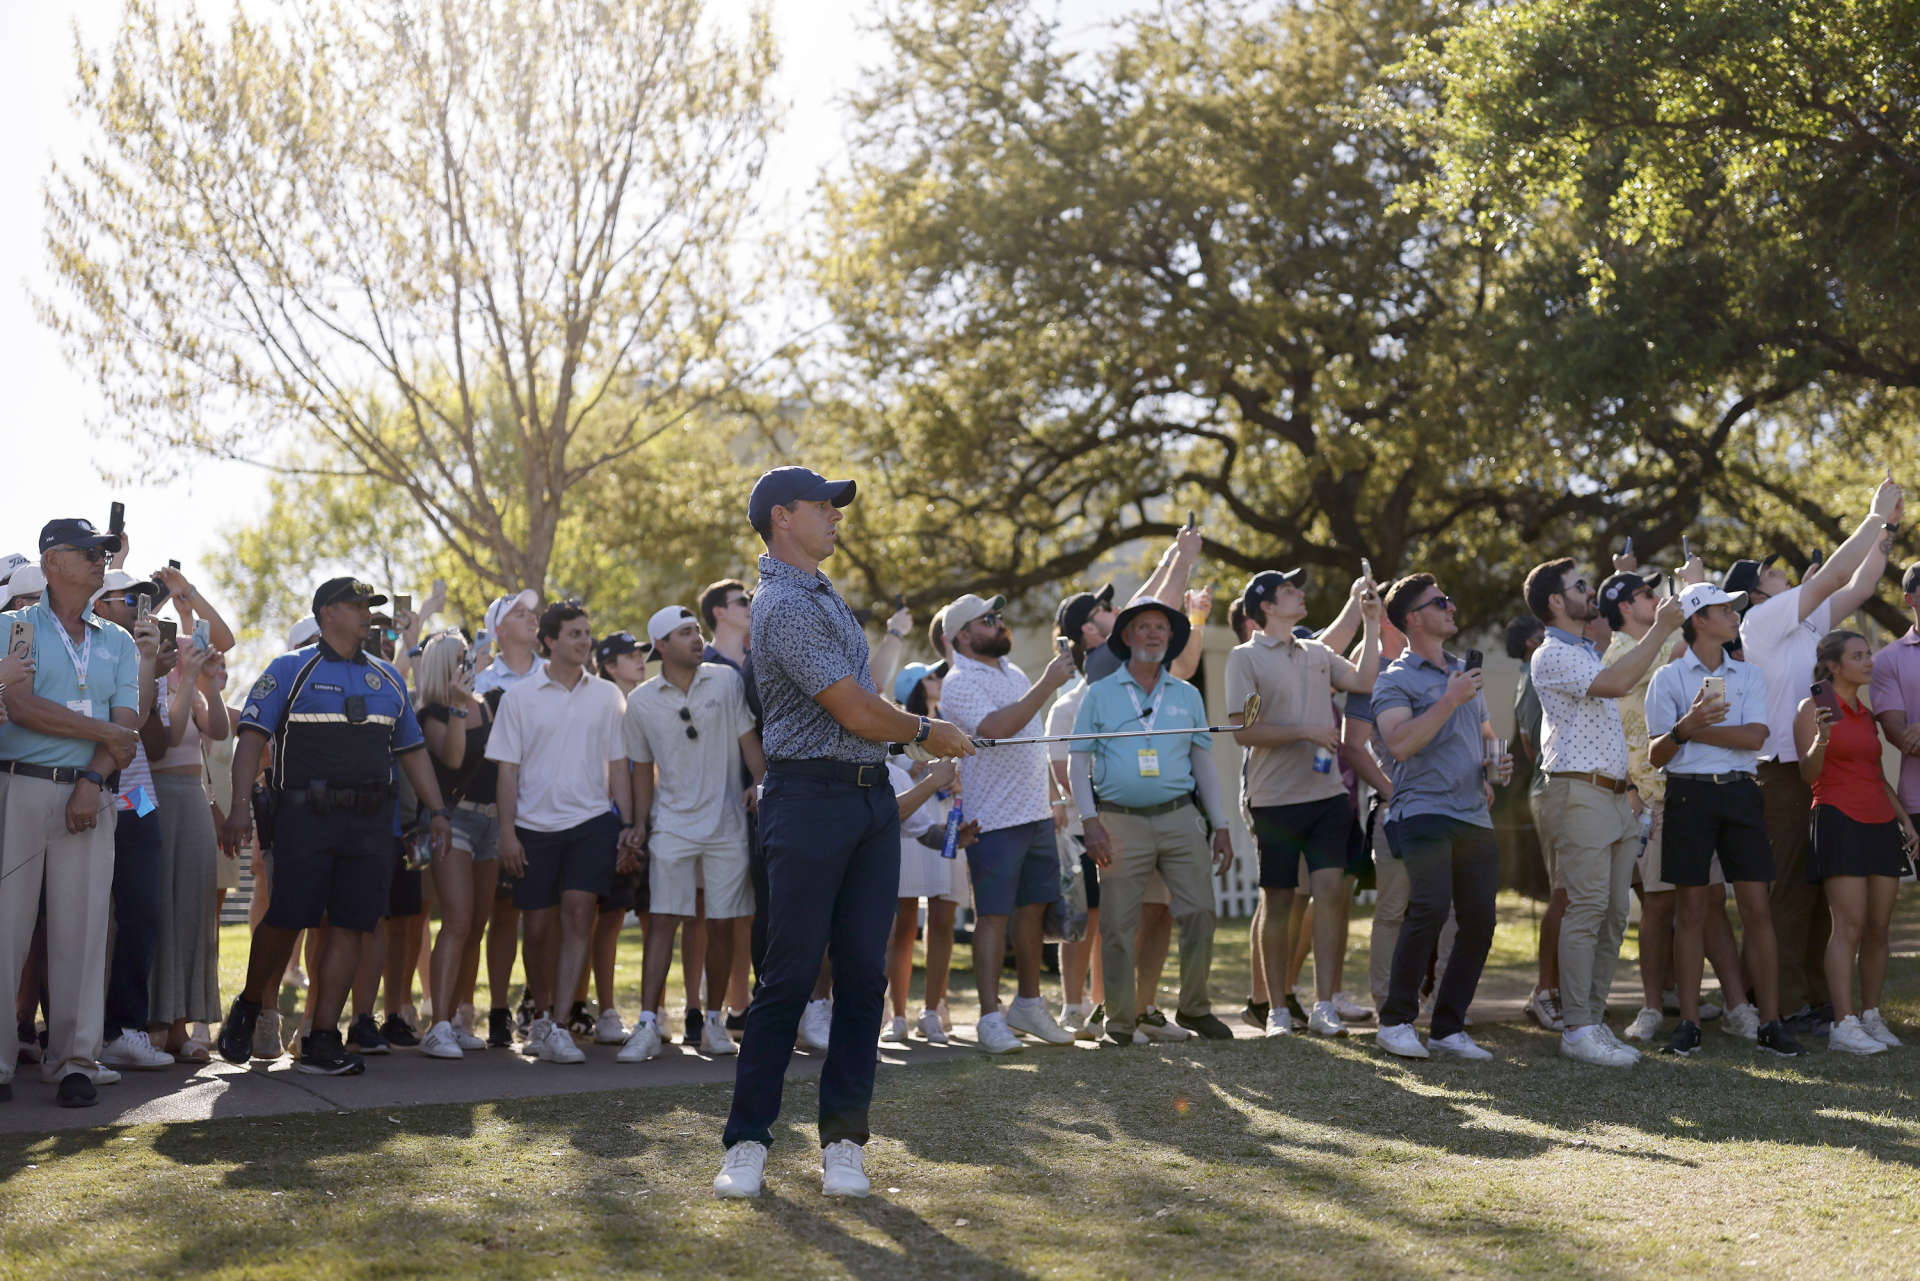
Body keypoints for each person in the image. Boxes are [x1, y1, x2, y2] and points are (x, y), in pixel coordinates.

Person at [714, 466, 973, 1201]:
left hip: (865, 803)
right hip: (809, 799)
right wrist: (928, 729)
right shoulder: (781, 603)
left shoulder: (828, 594)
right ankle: (747, 1140)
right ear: (781, 517)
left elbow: (866, 712)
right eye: (823, 506)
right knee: (791, 975)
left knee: (863, 977)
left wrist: (921, 737)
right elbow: (855, 710)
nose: (835, 516)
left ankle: (844, 1142)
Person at [215, 578, 452, 1076]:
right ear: (326, 613)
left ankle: (322, 1036)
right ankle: (251, 1005)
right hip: (303, 819)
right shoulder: (289, 669)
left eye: (370, 605)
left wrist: (438, 812)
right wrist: (239, 806)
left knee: (351, 924)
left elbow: (412, 753)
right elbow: (250, 740)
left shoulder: (387, 679)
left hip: (369, 825)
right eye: (356, 604)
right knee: (286, 917)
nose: (367, 613)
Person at [1729, 476, 1901, 1035]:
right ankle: (1782, 1003)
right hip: (1780, 772)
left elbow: (1860, 582)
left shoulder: (1807, 626)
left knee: (1825, 889)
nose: (1784, 573)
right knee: (1787, 887)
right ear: (1758, 595)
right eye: (1772, 574)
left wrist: (1887, 531)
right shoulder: (1761, 622)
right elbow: (1832, 576)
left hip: (1822, 775)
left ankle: (1825, 999)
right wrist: (1872, 516)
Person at [0, 519, 148, 1107]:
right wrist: (104, 733)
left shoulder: (116, 640)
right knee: (6, 929)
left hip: (91, 792)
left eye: (103, 553)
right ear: (52, 561)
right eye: (88, 553)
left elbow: (129, 725)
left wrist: (93, 778)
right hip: (19, 787)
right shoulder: (15, 629)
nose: (100, 561)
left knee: (82, 929)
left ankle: (75, 1061)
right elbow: (20, 705)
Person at [1526, 557, 1683, 1066]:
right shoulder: (1552, 653)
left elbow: (1617, 680)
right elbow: (1618, 685)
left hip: (1614, 796)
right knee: (1588, 909)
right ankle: (1578, 1027)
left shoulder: (1584, 652)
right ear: (1556, 602)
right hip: (1580, 795)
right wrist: (1661, 627)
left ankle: (1590, 1021)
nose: (1589, 591)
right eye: (1580, 586)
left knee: (1614, 914)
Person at [1072, 598, 1235, 1047]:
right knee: (1118, 925)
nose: (1152, 634)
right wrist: (1090, 821)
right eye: (1142, 627)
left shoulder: (1187, 694)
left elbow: (1203, 764)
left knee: (1200, 910)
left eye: (1160, 628)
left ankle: (1195, 1008)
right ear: (1126, 637)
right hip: (1118, 820)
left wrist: (1219, 823)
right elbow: (1077, 761)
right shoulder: (1101, 692)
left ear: (1171, 637)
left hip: (1180, 816)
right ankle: (1121, 1022)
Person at [1226, 569, 1380, 1038]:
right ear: (1267, 607)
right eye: (1290, 590)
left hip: (1327, 795)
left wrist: (1371, 622)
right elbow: (1243, 731)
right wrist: (1304, 731)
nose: (1301, 594)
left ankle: (1324, 1004)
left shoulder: (1316, 652)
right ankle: (1275, 1009)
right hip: (1274, 799)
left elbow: (1363, 678)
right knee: (1278, 901)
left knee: (1332, 894)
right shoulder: (1244, 657)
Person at [486, 600, 635, 1065]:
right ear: (550, 641)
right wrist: (507, 833)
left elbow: (618, 767)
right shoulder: (518, 698)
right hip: (533, 828)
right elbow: (506, 774)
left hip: (592, 823)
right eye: (574, 633)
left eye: (587, 633)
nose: (584, 641)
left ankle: (558, 1024)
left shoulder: (608, 696)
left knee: (578, 913)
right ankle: (542, 1014)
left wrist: (629, 824)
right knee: (538, 927)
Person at [1644, 584, 1788, 1055]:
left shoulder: (1747, 674)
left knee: (1757, 909)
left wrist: (1694, 730)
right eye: (1724, 609)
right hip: (1689, 797)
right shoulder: (1666, 679)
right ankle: (1688, 1023)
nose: (1733, 615)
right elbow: (1657, 753)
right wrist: (1684, 729)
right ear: (1699, 620)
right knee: (1691, 912)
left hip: (1741, 793)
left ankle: (1770, 1022)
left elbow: (1755, 737)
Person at [618, 604, 764, 1062]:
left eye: (697, 631)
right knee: (663, 921)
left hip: (727, 825)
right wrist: (639, 824)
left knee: (723, 924)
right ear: (661, 646)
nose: (697, 638)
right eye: (685, 633)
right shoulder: (640, 701)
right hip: (672, 826)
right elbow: (642, 771)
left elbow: (749, 743)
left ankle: (715, 1022)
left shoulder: (726, 680)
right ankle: (646, 1023)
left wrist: (763, 783)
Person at [1370, 573, 1504, 1061]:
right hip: (1421, 809)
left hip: (1472, 813)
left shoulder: (1465, 676)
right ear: (1413, 618)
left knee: (1480, 920)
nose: (1451, 607)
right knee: (1428, 907)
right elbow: (1401, 743)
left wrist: (1493, 763)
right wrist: (1448, 700)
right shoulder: (1393, 679)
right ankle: (1396, 1021)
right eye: (1440, 602)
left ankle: (1448, 1027)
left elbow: (1486, 735)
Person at [938, 591, 1077, 1053]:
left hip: (1035, 812)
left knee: (1034, 910)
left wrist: (1053, 798)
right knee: (993, 917)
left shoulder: (1012, 672)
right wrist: (1047, 684)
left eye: (998, 615)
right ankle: (989, 1016)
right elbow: (996, 728)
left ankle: (1029, 1004)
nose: (999, 623)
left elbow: (1031, 739)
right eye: (987, 619)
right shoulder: (959, 681)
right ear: (962, 636)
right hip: (993, 817)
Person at [1798, 631, 1912, 1054]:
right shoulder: (1811, 709)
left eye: (1869, 654)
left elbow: (1876, 776)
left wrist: (1906, 823)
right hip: (1837, 819)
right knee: (1848, 925)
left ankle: (1870, 1015)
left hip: (1881, 822)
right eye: (1859, 656)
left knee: (1879, 928)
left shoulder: (1866, 715)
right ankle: (1842, 1024)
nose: (1869, 662)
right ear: (1833, 665)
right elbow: (1807, 776)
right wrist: (1821, 739)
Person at [140, 568, 235, 1064]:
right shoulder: (141, 655)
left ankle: (184, 1024)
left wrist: (189, 596)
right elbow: (166, 740)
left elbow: (216, 728)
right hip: (147, 795)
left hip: (193, 799)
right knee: (153, 903)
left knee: (195, 906)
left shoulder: (186, 659)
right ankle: (152, 1022)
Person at [414, 633, 502, 1059]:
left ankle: (459, 1017)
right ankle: (438, 1025)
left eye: (469, 658)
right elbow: (451, 758)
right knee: (458, 920)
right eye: (461, 658)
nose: (469, 664)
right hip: (453, 819)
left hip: (491, 820)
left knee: (477, 925)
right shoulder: (430, 710)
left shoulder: (485, 702)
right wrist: (456, 703)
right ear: (443, 665)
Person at [884, 663, 971, 1043]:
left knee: (942, 920)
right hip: (908, 824)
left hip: (946, 821)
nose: (940, 680)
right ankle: (897, 1014)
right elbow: (895, 768)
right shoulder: (897, 724)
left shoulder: (951, 723)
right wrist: (922, 769)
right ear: (914, 685)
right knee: (902, 924)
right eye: (932, 676)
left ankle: (933, 1011)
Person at [474, 589, 544, 1041]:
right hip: (502, 811)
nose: (531, 618)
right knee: (502, 914)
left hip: (551, 811)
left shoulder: (557, 674)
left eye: (532, 612)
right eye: (518, 613)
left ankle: (539, 1008)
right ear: (499, 631)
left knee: (545, 914)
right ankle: (497, 1011)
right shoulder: (481, 683)